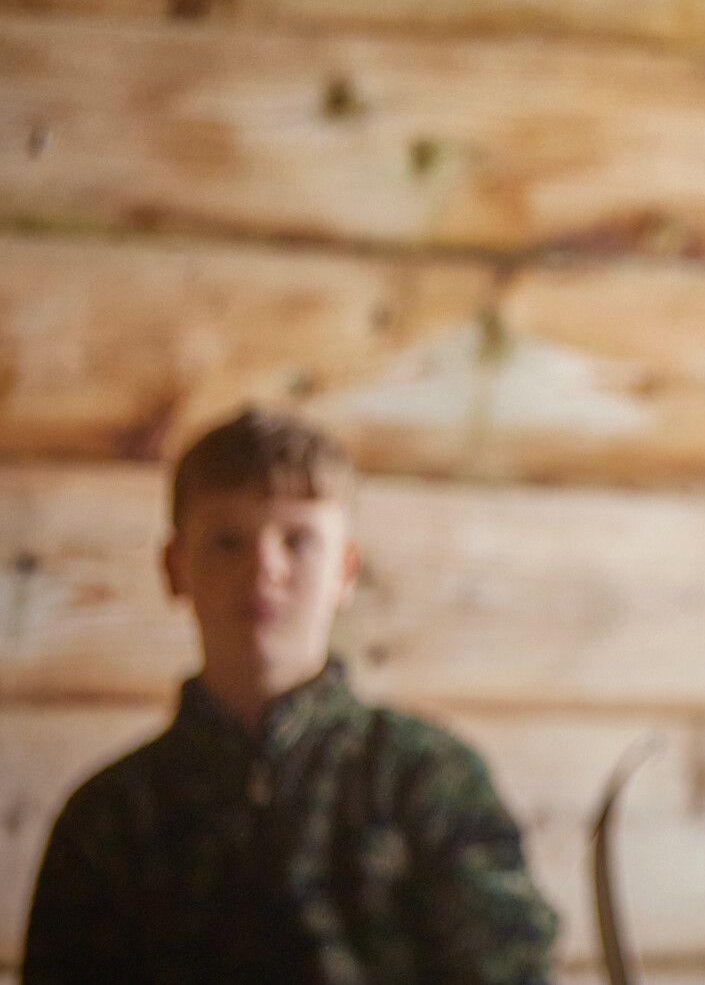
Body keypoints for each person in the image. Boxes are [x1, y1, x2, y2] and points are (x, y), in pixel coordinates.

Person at [22, 408, 558, 984]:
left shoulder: (425, 780)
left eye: (298, 541)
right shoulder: (112, 818)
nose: (264, 569)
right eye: (228, 541)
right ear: (175, 567)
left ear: (345, 572)